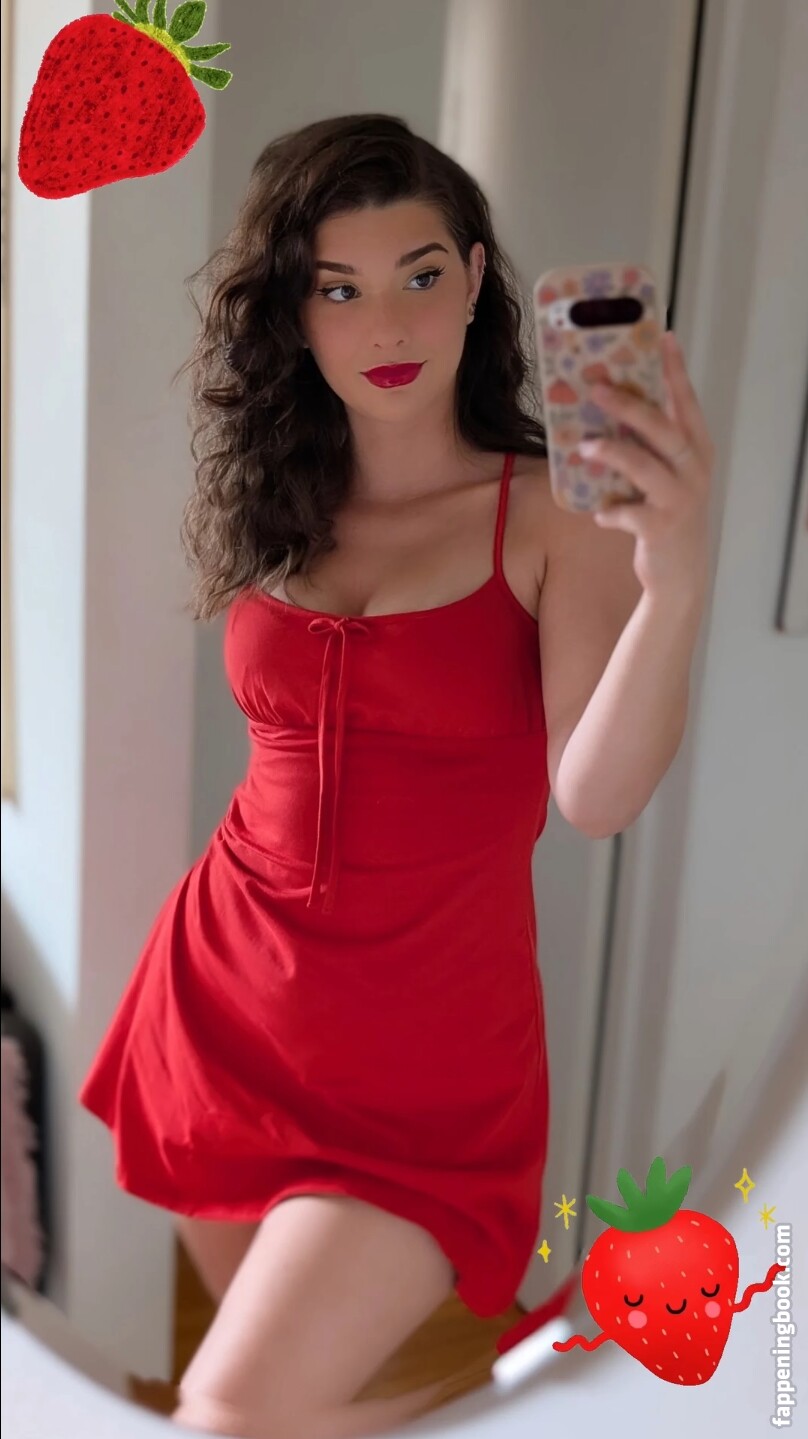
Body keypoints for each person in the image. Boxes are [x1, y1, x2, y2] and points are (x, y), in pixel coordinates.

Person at [78, 113, 713, 1439]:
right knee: (278, 1409)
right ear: (294, 315)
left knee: (228, 1411)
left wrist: (678, 583)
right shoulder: (285, 496)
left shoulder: (553, 514)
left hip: (421, 1067)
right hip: (223, 999)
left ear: (477, 279)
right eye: (340, 289)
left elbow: (594, 797)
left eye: (421, 274)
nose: (390, 324)